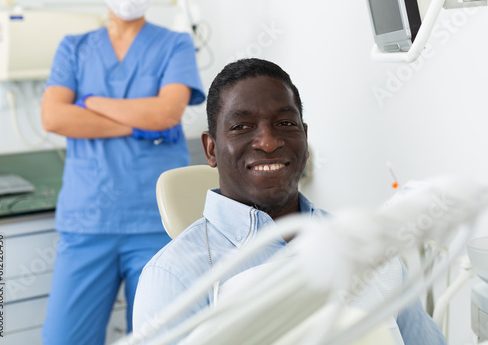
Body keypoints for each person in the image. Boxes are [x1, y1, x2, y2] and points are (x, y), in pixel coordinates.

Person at [133, 58, 446, 344]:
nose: (269, 142)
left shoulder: (369, 247)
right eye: (242, 127)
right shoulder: (174, 277)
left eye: (285, 124)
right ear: (211, 149)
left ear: (305, 139)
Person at [40, 0, 205, 345]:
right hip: (87, 221)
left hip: (155, 221)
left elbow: (166, 112)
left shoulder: (174, 45)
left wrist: (92, 101)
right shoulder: (74, 48)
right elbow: (54, 117)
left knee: (160, 339)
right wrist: (140, 119)